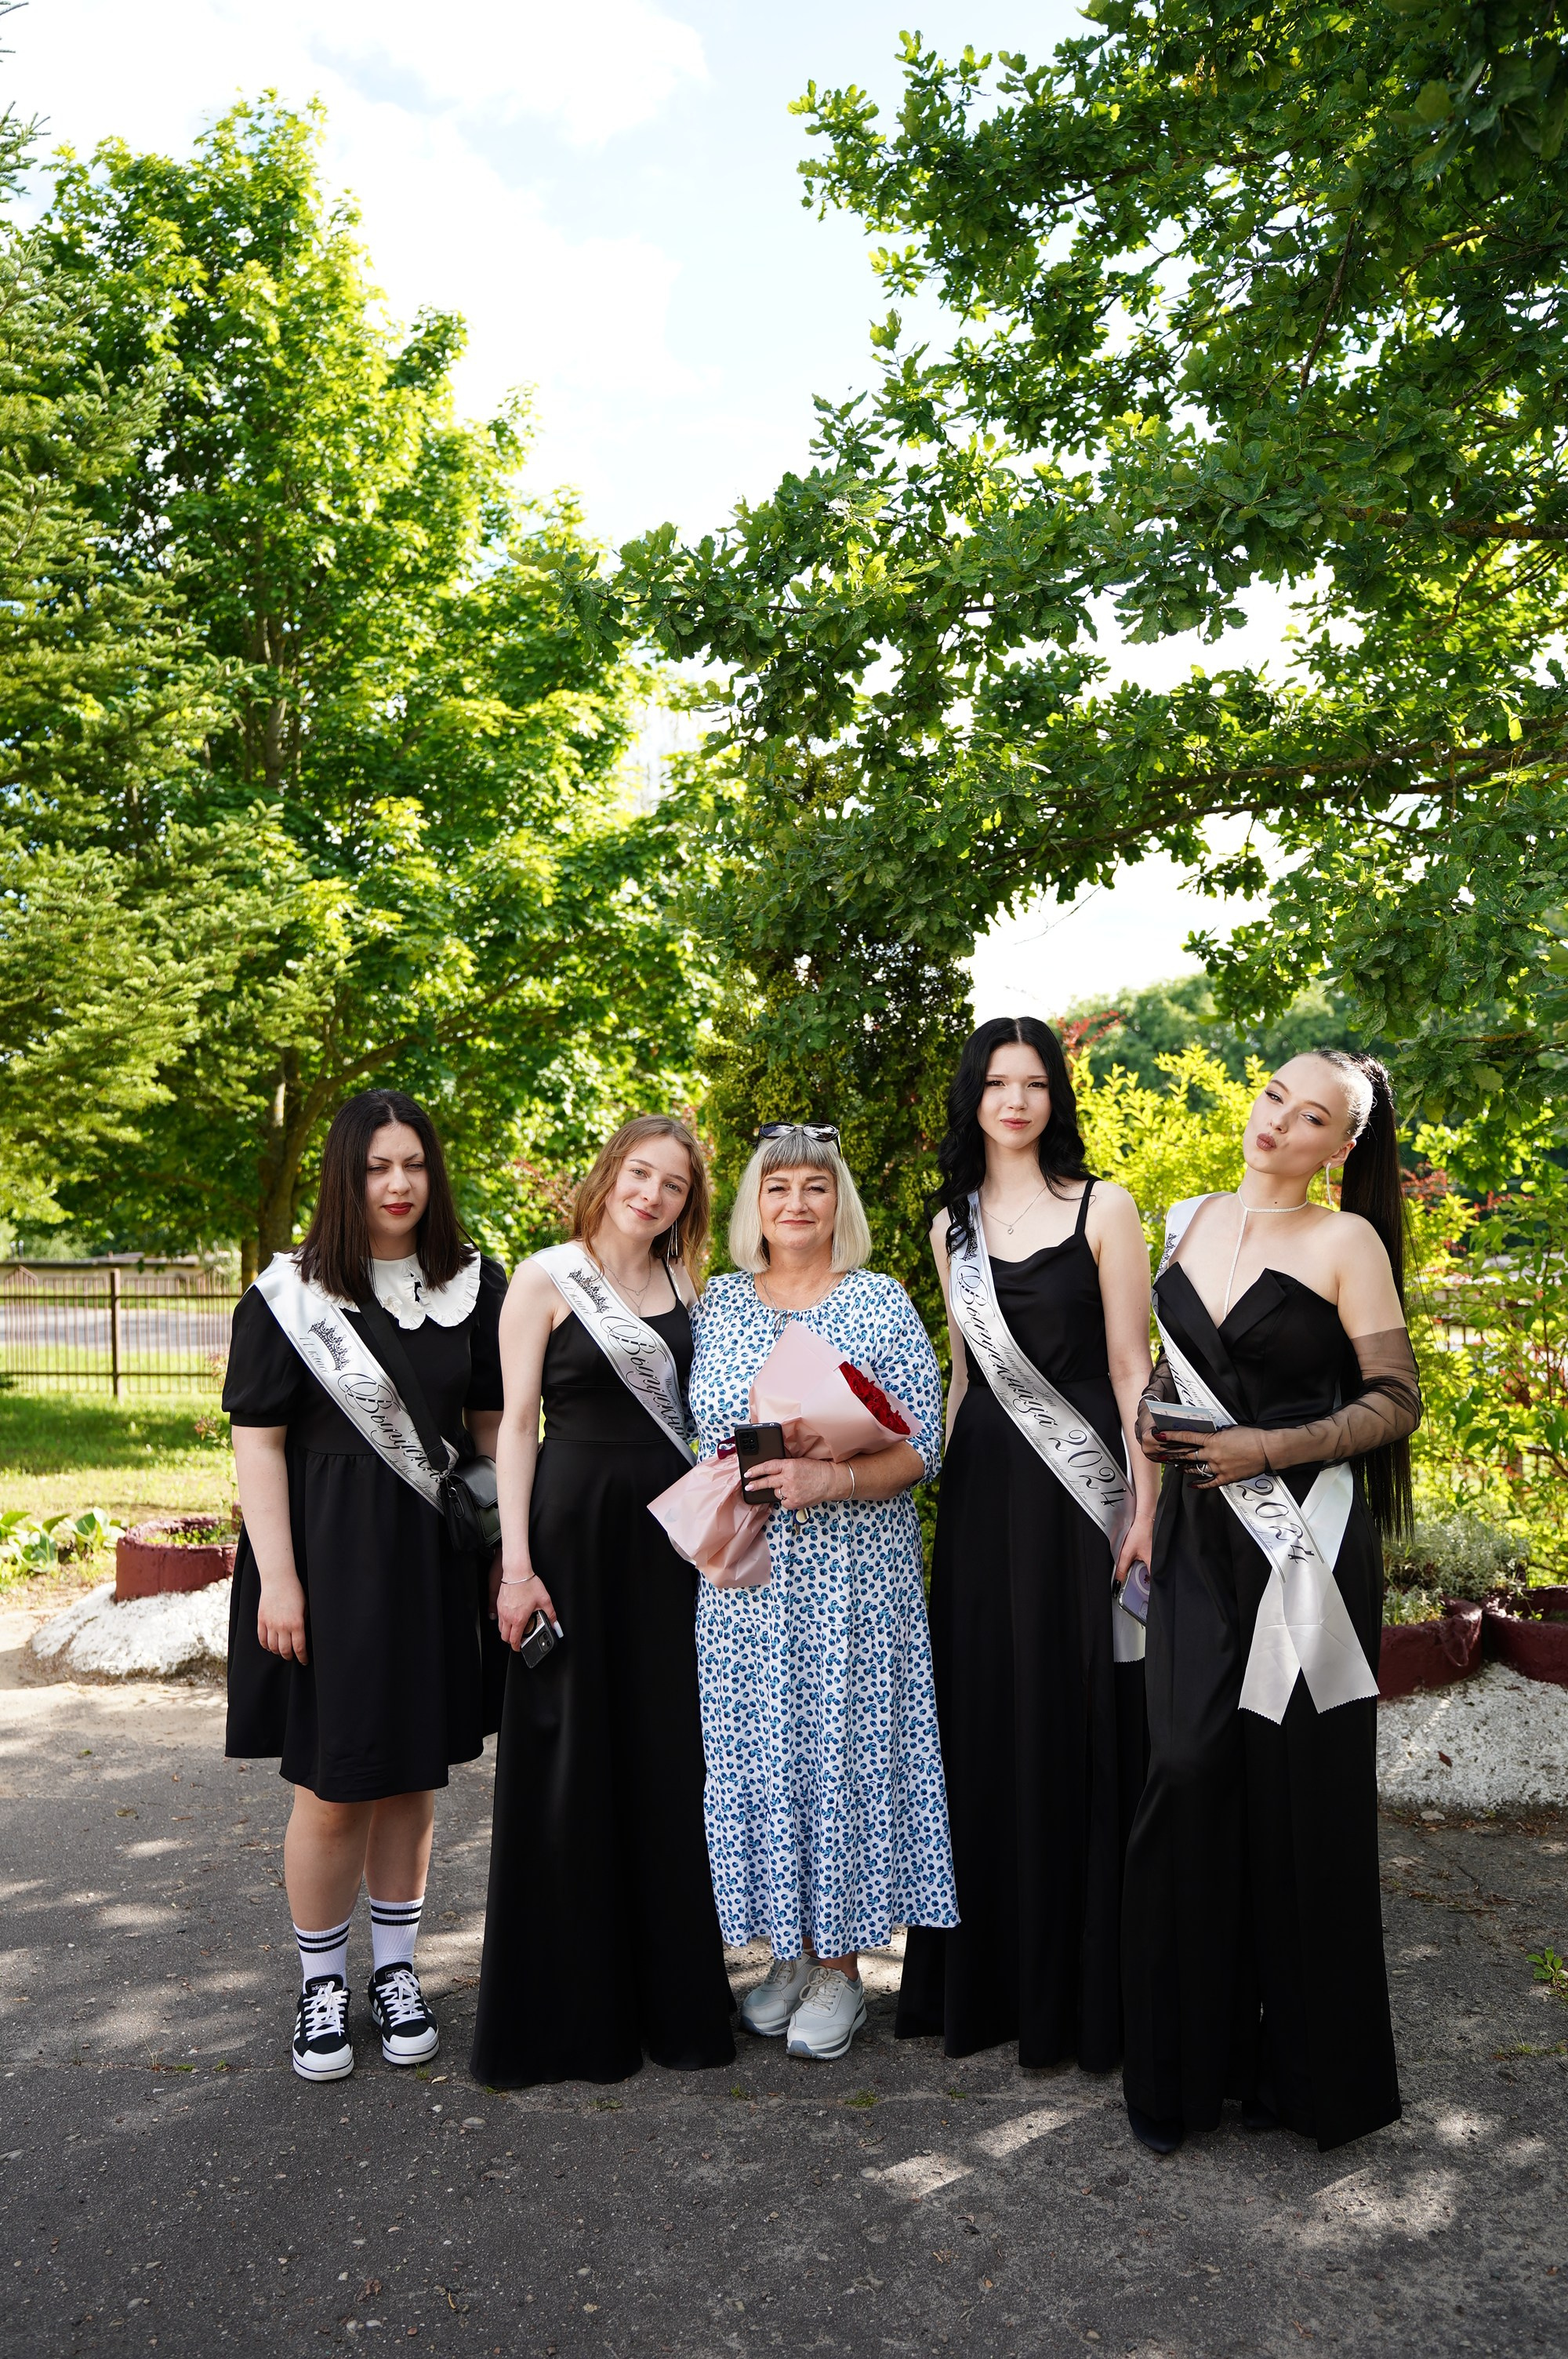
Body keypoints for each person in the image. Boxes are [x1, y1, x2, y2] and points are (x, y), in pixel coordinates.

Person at [1121, 1049, 1421, 2154]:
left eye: (1312, 1120)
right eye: (1273, 1099)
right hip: (1204, 1539)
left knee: (1297, 1797)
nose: (1279, 1126)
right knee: (1186, 1771)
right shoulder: (1185, 1218)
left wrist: (1273, 1446)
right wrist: (1161, 1422)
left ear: (1340, 1148)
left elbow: (1396, 1401)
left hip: (1307, 1547)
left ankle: (1309, 2084)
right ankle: (1179, 2075)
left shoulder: (1348, 1243)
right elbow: (1174, 1376)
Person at [225, 1089, 507, 2083]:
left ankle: (394, 1972)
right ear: (346, 1177)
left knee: (413, 1774)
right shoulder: (287, 1295)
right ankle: (319, 1984)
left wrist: (501, 1558)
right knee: (335, 1783)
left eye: (415, 1165)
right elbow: (257, 1444)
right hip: (328, 1562)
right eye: (378, 1166)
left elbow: (490, 1433)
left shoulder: (474, 1283)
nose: (398, 1184)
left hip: (432, 1561)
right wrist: (281, 1581)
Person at [896, 1017, 1157, 2069]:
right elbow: (964, 1379)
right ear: (975, 1097)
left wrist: (1143, 1512)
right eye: (998, 1083)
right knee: (988, 1723)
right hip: (987, 1500)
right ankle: (989, 1984)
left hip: (1080, 1492)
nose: (1015, 1100)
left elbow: (1135, 1371)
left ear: (1057, 1097)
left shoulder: (1107, 1208)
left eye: (1034, 1083)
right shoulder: (949, 1226)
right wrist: (944, 1517)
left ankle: (1086, 1993)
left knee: (1080, 1721)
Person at [470, 1116, 735, 2087]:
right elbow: (514, 1434)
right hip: (568, 1536)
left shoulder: (688, 1291)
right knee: (567, 1756)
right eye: (640, 1173)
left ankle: (673, 2006)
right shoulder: (543, 1276)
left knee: (667, 1761)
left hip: (666, 1547)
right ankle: (563, 2019)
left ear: (686, 1203)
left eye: (673, 1184)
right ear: (610, 1173)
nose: (652, 1194)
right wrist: (515, 1566)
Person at [691, 1121, 956, 2063]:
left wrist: (829, 1473)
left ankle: (843, 1966)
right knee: (757, 1756)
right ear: (750, 1206)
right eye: (776, 1188)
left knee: (838, 1753)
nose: (794, 1203)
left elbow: (920, 1447)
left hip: (850, 1570)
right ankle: (791, 1949)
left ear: (838, 1200)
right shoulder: (717, 1303)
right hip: (747, 1579)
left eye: (813, 1186)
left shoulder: (877, 1301)